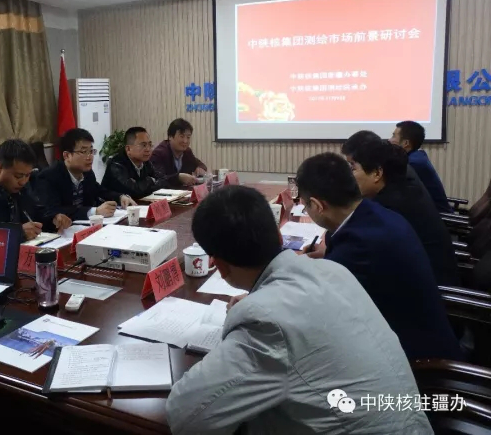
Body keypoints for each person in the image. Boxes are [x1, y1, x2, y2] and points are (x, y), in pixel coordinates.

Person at [166, 186, 432, 434]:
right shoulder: (333, 271)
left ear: (220, 266)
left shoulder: (266, 323)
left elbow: (184, 416)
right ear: (279, 236)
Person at [296, 152, 461, 361]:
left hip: (420, 363)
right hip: (424, 336)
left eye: (305, 206)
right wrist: (328, 253)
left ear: (318, 206)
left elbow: (315, 304)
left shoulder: (358, 247)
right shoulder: (373, 213)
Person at [349, 138, 459, 286]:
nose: (351, 176)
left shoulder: (390, 206)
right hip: (431, 277)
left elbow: (357, 248)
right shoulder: (403, 187)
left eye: (354, 169)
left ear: (377, 173)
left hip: (432, 286)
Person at [0, 139, 72, 241]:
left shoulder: (22, 187)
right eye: (18, 176)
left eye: (27, 175)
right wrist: (17, 233)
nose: (23, 181)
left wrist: (54, 218)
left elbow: (37, 212)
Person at [36, 128, 135, 221]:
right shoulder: (49, 177)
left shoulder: (87, 173)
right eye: (83, 151)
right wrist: (94, 212)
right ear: (67, 155)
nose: (90, 157)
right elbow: (52, 211)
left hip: (86, 227)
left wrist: (120, 197)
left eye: (91, 151)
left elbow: (100, 191)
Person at [102, 127, 196, 200]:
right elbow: (134, 191)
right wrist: (151, 180)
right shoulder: (116, 165)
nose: (148, 149)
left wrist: (150, 182)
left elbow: (162, 180)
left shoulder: (145, 162)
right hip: (113, 212)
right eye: (143, 145)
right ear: (128, 149)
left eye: (149, 144)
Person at [391, 120, 453, 213]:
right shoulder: (417, 156)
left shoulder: (413, 164)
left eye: (393, 136)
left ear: (406, 143)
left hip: (438, 217)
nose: (389, 140)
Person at [150, 119, 207, 183]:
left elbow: (199, 164)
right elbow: (159, 178)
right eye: (181, 136)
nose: (185, 141)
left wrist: (200, 168)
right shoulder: (159, 153)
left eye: (188, 137)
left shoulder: (187, 152)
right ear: (170, 137)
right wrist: (178, 177)